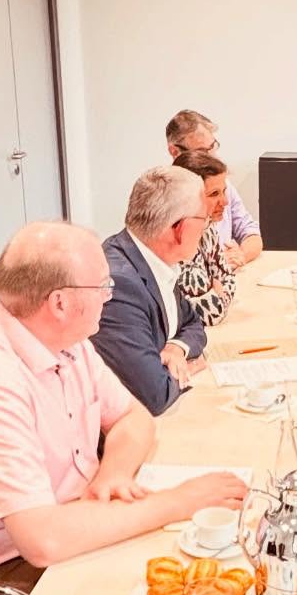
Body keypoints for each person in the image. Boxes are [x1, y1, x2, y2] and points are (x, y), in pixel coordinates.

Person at [0, 221, 245, 595]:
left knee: (181, 566)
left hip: (52, 520)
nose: (109, 296)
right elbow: (44, 541)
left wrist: (112, 476)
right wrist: (180, 501)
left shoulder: (58, 333)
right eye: (103, 286)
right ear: (59, 302)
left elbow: (134, 418)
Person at [96, 167, 210, 416]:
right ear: (180, 229)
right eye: (204, 220)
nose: (206, 229)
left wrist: (176, 348)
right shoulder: (119, 285)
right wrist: (185, 371)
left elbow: (193, 323)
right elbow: (154, 394)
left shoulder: (154, 259)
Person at [166, 109, 264, 268]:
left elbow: (251, 232)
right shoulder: (165, 197)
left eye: (212, 146)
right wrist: (216, 264)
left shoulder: (221, 185)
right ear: (174, 151)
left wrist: (240, 255)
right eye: (201, 151)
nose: (212, 156)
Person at [173, 148, 238, 328]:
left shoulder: (208, 229)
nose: (224, 202)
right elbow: (210, 314)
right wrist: (216, 292)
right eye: (214, 194)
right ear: (187, 198)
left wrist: (215, 292)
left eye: (223, 192)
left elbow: (229, 280)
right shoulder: (175, 239)